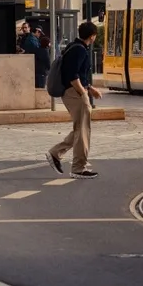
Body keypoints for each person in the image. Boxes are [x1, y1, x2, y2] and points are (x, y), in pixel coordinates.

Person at [46, 20, 102, 180]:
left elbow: (77, 74)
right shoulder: (80, 50)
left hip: (72, 91)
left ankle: (56, 153)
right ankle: (78, 168)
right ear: (92, 36)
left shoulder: (73, 46)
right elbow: (73, 76)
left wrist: (90, 88)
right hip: (74, 93)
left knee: (80, 129)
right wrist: (83, 93)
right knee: (83, 131)